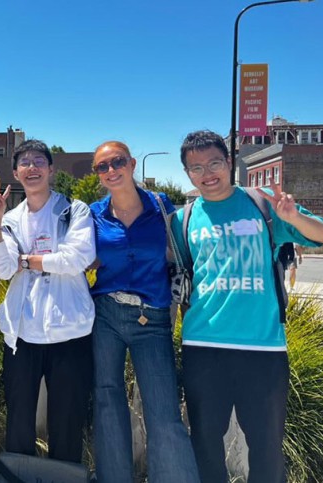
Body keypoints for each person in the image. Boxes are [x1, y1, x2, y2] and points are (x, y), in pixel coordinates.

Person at [171, 130, 323, 483]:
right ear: (187, 174)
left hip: (263, 347)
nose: (207, 173)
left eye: (214, 163)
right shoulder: (183, 220)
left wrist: (294, 216)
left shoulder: (263, 204)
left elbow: (322, 235)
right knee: (206, 443)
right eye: (196, 168)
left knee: (266, 444)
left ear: (228, 163)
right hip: (203, 346)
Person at [88, 141, 199, 482]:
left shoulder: (161, 206)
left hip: (152, 317)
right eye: (102, 167)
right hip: (106, 313)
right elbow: (82, 257)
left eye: (117, 162)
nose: (111, 171)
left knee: (163, 408)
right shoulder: (94, 213)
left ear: (132, 163)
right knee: (107, 402)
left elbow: (181, 250)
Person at [0, 139, 96, 463]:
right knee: (19, 420)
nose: (31, 168)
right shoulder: (10, 219)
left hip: (70, 332)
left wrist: (27, 259)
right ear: (16, 173)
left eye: (38, 162)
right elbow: (3, 267)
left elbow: (77, 258)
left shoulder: (73, 209)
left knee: (67, 421)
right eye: (25, 163)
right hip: (22, 334)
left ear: (51, 169)